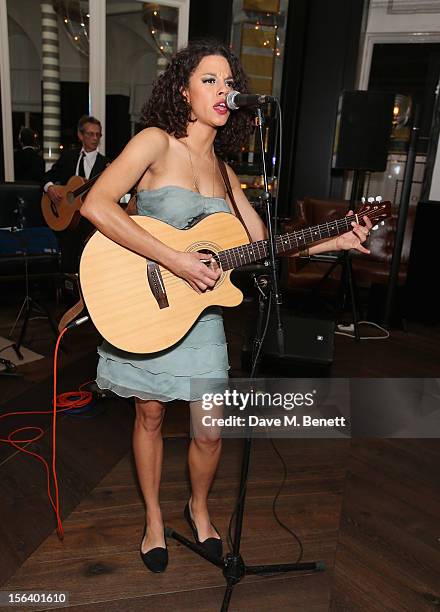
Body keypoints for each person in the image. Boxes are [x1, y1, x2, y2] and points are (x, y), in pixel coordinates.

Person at [80, 40, 372, 573]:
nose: (223, 90)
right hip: (147, 302)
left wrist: (335, 241)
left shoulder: (226, 172)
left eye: (227, 81)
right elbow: (95, 204)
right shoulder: (154, 143)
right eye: (209, 80)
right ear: (184, 91)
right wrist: (177, 259)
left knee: (209, 429)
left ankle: (198, 507)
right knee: (148, 415)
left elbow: (263, 247)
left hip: (201, 319)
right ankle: (151, 519)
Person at [42, 115, 110, 271]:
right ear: (80, 135)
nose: (95, 138)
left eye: (98, 134)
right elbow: (47, 177)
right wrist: (50, 188)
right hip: (66, 222)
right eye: (90, 134)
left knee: (90, 266)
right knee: (67, 265)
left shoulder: (105, 164)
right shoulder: (68, 157)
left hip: (91, 224)